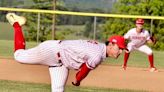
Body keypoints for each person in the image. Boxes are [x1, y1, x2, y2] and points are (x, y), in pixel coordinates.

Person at [6, 13, 126, 92]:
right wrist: (77, 81)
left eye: (122, 49)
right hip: (53, 51)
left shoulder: (100, 48)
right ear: (110, 44)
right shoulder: (97, 55)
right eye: (119, 47)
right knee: (19, 56)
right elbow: (82, 72)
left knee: (58, 89)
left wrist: (78, 78)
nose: (120, 51)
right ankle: (17, 25)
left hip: (62, 63)